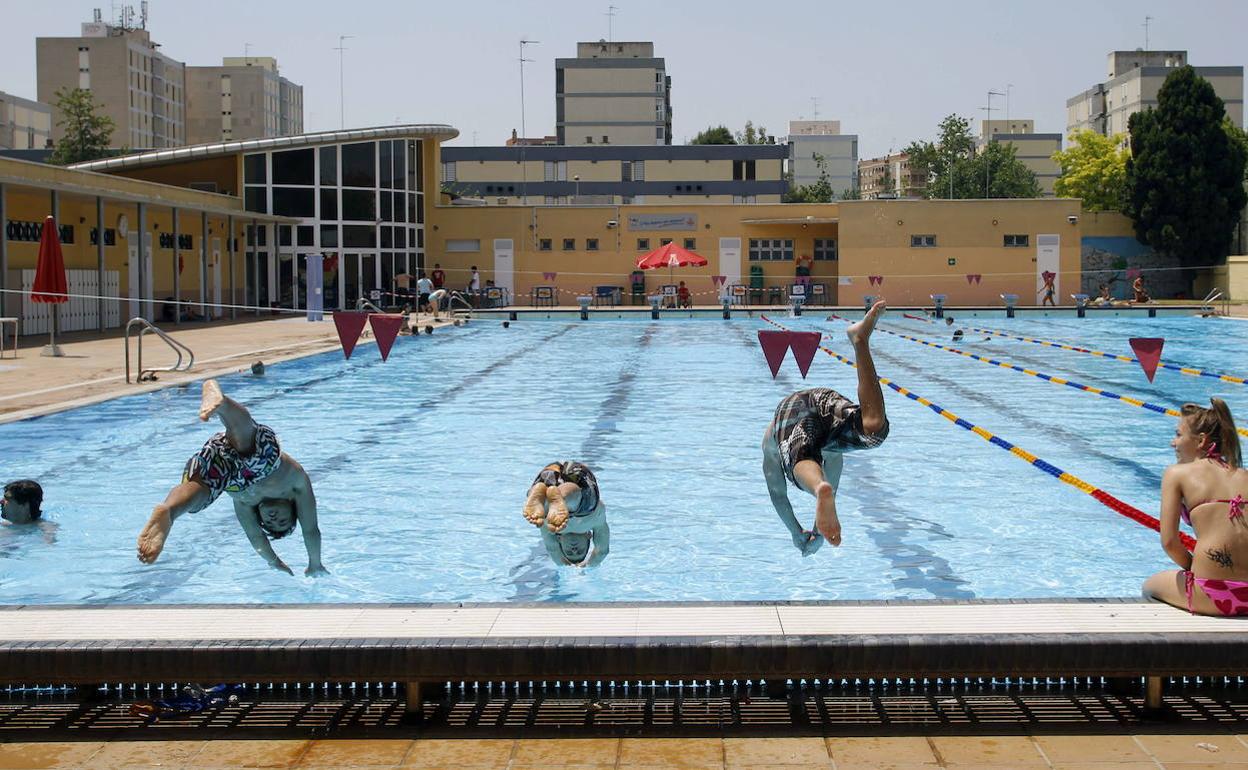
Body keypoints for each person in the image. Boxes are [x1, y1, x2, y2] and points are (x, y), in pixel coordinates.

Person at [136, 380, 327, 576]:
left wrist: (274, 562)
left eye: (270, 524)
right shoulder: (296, 487)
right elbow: (311, 530)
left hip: (229, 474)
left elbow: (255, 536)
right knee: (246, 442)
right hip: (266, 461)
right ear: (292, 507)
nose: (274, 520)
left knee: (201, 491)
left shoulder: (245, 504)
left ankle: (169, 511)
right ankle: (222, 403)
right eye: (283, 521)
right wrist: (315, 563)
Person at [762, 300, 890, 553]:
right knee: (873, 431)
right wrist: (814, 530)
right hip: (822, 398)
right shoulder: (832, 453)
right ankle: (859, 340)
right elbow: (826, 499)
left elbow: (779, 494)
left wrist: (796, 532)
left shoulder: (772, 447)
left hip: (793, 408)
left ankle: (816, 484)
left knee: (800, 461)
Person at [1143, 400, 1248, 616]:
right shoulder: (1244, 476)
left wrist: (1193, 567)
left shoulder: (1177, 473)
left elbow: (1170, 543)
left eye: (1179, 435)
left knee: (1149, 587)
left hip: (1210, 595)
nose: (1173, 443)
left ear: (1201, 440)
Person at [522, 462, 609, 567]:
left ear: (559, 540)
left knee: (545, 511)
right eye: (580, 551)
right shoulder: (595, 524)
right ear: (589, 536)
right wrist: (589, 566)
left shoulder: (551, 527)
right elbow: (602, 551)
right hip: (578, 479)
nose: (574, 550)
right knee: (579, 504)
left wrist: (563, 564)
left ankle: (539, 493)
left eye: (569, 552)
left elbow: (552, 549)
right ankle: (560, 497)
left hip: (549, 473)